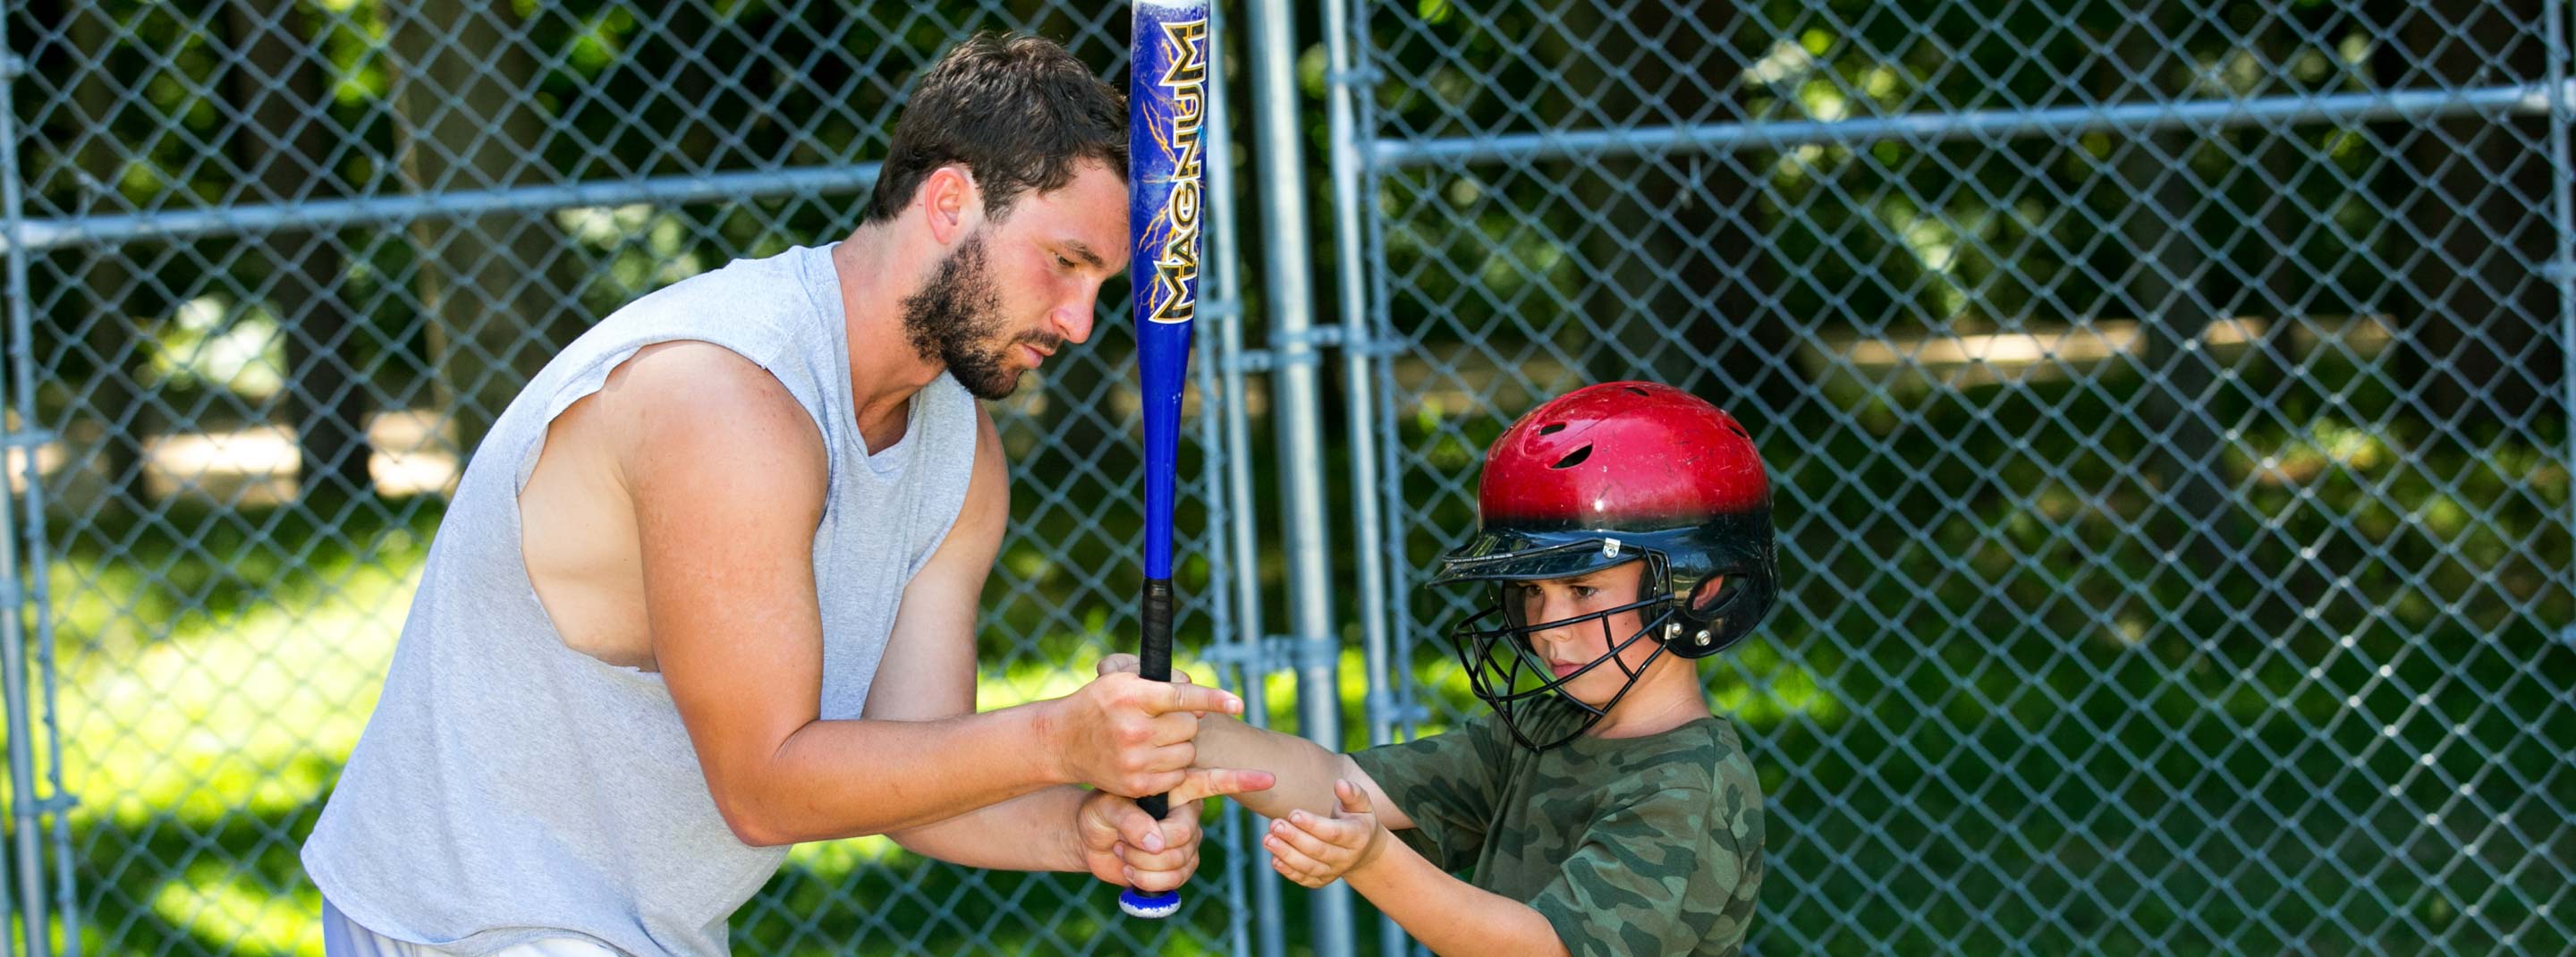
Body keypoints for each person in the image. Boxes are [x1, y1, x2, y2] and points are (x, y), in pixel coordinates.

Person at [301, 33, 1267, 956]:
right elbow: (764, 786)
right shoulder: (728, 397)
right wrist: (1063, 735)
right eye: (1065, 262)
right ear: (947, 202)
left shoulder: (956, 451)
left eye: (1104, 285)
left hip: (621, 924)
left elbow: (911, 763)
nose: (1081, 319)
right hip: (465, 915)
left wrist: (1079, 829)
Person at [1156, 381, 1775, 955]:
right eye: (1531, 592)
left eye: (1583, 590)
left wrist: (1374, 861)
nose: (1544, 626)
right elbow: (1338, 783)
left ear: (1703, 591)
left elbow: (1540, 948)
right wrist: (1177, 727)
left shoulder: (1690, 788)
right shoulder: (1547, 723)